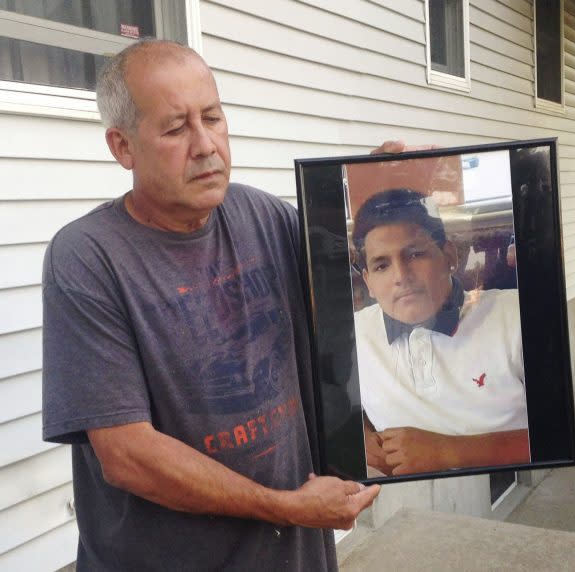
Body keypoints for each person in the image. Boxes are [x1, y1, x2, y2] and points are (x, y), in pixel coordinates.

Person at [41, 39, 381, 571]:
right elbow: (127, 455)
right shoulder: (89, 258)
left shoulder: (266, 217)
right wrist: (285, 507)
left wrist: (377, 202)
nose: (206, 145)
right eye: (176, 128)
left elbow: (354, 295)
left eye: (213, 118)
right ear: (122, 147)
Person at [351, 189, 530, 477]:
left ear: (449, 256)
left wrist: (447, 452)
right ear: (368, 281)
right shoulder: (353, 334)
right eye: (382, 265)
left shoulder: (516, 316)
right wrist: (356, 436)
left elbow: (560, 435)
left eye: (415, 254)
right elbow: (332, 405)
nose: (400, 276)